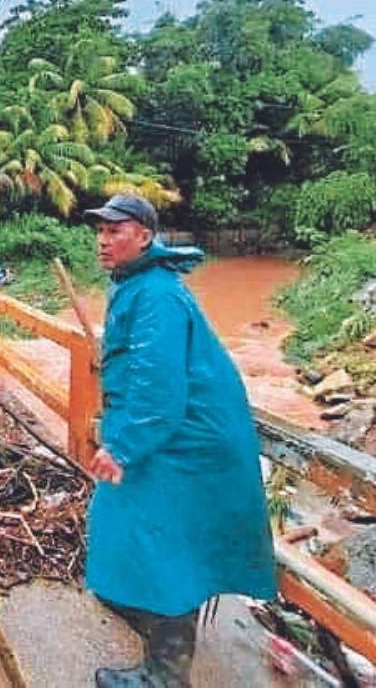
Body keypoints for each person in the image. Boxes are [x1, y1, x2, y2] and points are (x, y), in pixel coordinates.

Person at [82, 194, 277, 688]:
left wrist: (122, 446)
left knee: (166, 549)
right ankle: (150, 634)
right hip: (165, 438)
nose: (103, 240)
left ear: (145, 236)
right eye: (100, 231)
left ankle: (165, 675)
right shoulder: (137, 285)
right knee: (129, 529)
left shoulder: (157, 295)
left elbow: (159, 389)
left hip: (182, 444)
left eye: (115, 231)